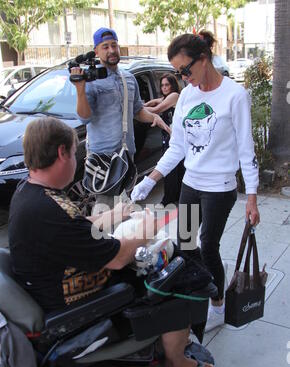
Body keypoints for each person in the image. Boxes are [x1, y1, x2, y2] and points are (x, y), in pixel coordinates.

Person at [8, 117, 215, 367]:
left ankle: (169, 342)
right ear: (61, 153)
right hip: (69, 298)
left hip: (49, 283)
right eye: (74, 153)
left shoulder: (31, 191)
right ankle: (176, 364)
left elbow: (74, 227)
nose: (77, 161)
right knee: (177, 277)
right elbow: (117, 259)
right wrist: (147, 230)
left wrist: (115, 214)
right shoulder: (45, 210)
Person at [131, 33, 260, 332]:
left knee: (208, 246)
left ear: (204, 59)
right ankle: (211, 283)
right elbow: (177, 147)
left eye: (185, 70)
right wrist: (150, 181)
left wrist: (251, 197)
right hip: (191, 182)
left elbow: (246, 150)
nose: (183, 78)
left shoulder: (235, 95)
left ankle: (217, 303)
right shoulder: (188, 95)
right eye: (178, 73)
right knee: (186, 245)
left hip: (220, 187)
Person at [70, 27, 170, 206]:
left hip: (127, 152)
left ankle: (119, 234)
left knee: (124, 206)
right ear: (97, 51)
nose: (111, 51)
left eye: (114, 45)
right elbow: (84, 118)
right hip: (103, 156)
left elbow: (138, 111)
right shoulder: (91, 81)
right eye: (105, 47)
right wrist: (80, 91)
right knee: (105, 209)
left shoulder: (129, 78)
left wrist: (155, 117)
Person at [144, 73, 185, 206]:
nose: (164, 87)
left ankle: (168, 199)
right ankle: (175, 198)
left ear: (173, 85)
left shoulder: (174, 96)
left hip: (175, 137)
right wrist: (144, 105)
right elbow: (155, 102)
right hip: (170, 137)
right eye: (162, 85)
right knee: (175, 169)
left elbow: (157, 109)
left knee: (171, 169)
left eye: (167, 84)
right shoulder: (166, 98)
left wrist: (137, 110)